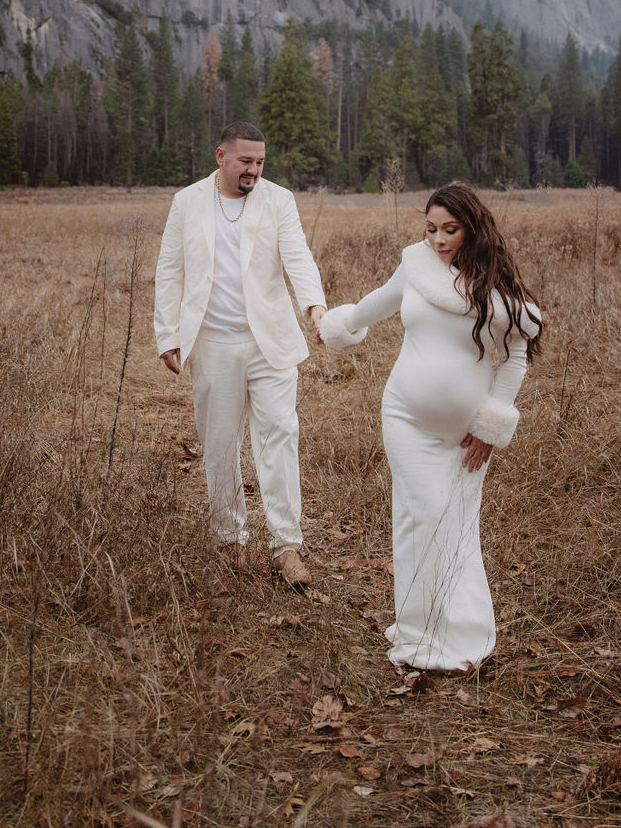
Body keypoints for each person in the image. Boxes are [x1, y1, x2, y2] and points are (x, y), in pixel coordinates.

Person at [320, 182, 542, 670]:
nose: (438, 240)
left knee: (457, 523)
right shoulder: (417, 266)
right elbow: (375, 304)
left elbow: (517, 355)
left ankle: (464, 634)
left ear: (473, 229)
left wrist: (491, 424)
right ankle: (420, 634)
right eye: (431, 229)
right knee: (419, 517)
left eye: (450, 230)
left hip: (467, 434)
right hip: (405, 416)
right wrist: (334, 325)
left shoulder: (498, 290)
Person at [154, 121, 327, 588]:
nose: (254, 170)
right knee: (220, 442)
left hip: (269, 344)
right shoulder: (187, 202)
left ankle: (287, 547)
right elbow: (169, 270)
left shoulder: (278, 200)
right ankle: (231, 538)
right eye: (245, 161)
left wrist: (314, 307)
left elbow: (298, 256)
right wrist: (167, 333)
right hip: (212, 344)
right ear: (220, 157)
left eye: (260, 162)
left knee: (279, 438)